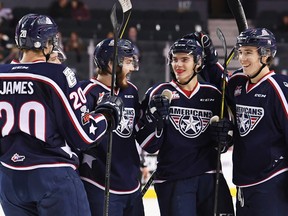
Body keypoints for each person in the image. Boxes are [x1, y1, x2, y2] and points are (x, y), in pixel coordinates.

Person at [0, 13, 124, 216]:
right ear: (46, 43)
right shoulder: (57, 75)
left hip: (9, 180)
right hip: (52, 177)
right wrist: (106, 115)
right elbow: (84, 135)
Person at [136, 34, 235, 215]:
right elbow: (148, 144)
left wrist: (224, 137)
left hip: (211, 177)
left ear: (198, 63)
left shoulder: (213, 95)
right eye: (175, 59)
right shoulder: (158, 93)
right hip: (174, 179)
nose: (178, 65)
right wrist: (156, 118)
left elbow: (225, 140)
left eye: (185, 59)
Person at [79, 38, 145, 216]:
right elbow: (78, 136)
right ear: (110, 64)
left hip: (131, 183)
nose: (131, 68)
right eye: (128, 62)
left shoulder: (131, 90)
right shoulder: (86, 91)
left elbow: (135, 131)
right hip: (98, 184)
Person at [225, 28, 288, 215]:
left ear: (266, 55)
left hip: (273, 182)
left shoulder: (278, 87)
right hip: (243, 183)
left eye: (249, 53)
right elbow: (221, 87)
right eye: (241, 52)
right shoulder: (238, 84)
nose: (242, 59)